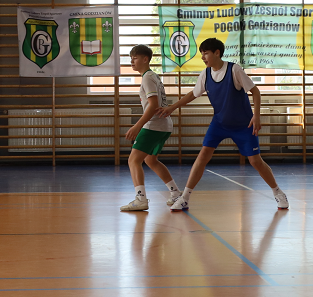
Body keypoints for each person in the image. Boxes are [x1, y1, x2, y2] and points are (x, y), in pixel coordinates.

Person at [157, 37, 289, 211]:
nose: (203, 57)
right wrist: (172, 107)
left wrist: (256, 116)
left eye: (205, 53)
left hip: (243, 125)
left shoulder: (234, 70)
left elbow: (255, 92)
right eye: (202, 54)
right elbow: (193, 94)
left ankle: (278, 192)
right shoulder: (205, 74)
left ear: (217, 53)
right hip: (219, 123)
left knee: (255, 161)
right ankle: (185, 198)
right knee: (202, 156)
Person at [120, 44, 182, 212]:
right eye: (131, 58)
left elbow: (153, 105)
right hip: (164, 125)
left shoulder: (147, 77)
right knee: (150, 160)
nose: (131, 61)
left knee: (133, 160)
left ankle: (140, 199)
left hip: (154, 125)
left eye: (135, 58)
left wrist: (137, 126)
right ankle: (175, 193)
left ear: (145, 59)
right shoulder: (153, 76)